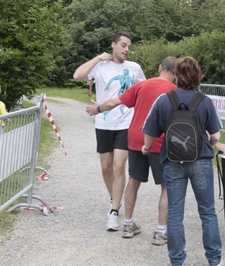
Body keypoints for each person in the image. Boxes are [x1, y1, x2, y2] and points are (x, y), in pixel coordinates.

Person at [86, 56, 177, 244]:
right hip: (159, 141)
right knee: (166, 186)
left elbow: (113, 102)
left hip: (136, 138)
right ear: (176, 74)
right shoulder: (174, 91)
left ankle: (127, 224)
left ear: (160, 67)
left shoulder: (141, 85)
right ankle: (160, 231)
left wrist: (98, 109)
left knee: (134, 181)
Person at [142, 56, 223, 266]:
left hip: (172, 161)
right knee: (207, 212)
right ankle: (214, 260)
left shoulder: (163, 100)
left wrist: (147, 148)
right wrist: (212, 142)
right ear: (198, 77)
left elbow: (150, 131)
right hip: (201, 162)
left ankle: (177, 261)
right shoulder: (204, 101)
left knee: (175, 213)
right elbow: (215, 135)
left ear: (176, 75)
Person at [73, 32, 146, 231]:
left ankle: (113, 212)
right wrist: (98, 58)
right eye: (123, 45)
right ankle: (115, 198)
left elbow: (142, 90)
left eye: (129, 47)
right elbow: (77, 76)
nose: (126, 50)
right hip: (104, 123)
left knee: (119, 166)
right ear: (113, 45)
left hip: (126, 123)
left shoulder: (134, 68)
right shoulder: (100, 66)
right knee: (106, 168)